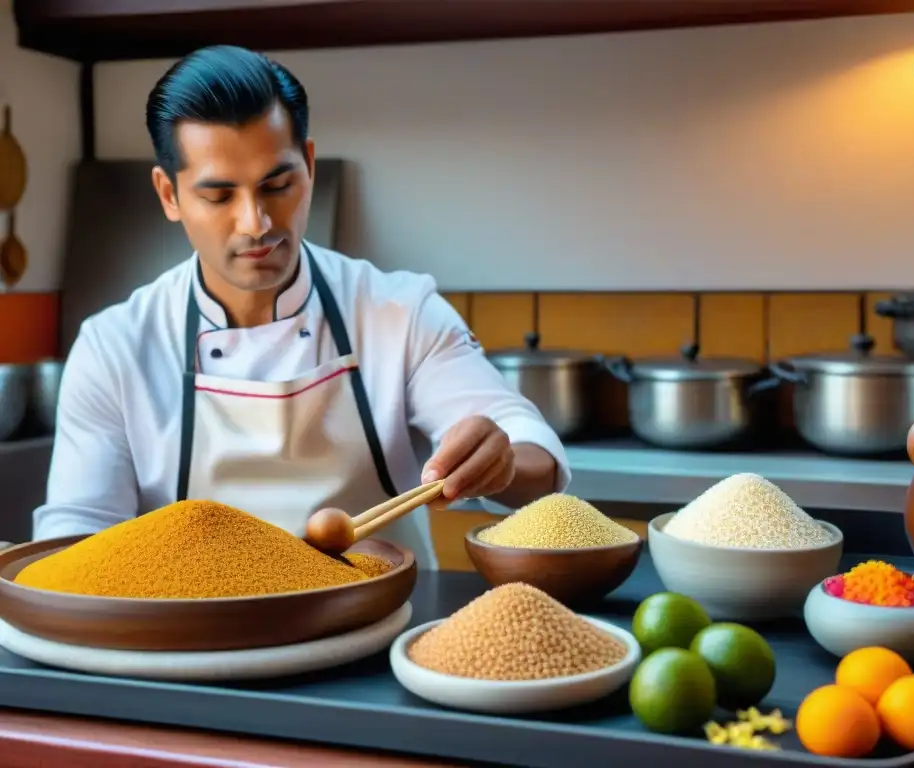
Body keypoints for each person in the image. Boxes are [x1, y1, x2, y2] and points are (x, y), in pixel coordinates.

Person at [32, 45, 570, 569]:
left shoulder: (399, 313)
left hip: (376, 625)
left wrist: (499, 461)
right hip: (192, 642)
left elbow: (532, 452)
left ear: (309, 165)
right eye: (219, 196)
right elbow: (76, 541)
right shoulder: (115, 346)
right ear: (169, 195)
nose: (256, 223)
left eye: (278, 184)